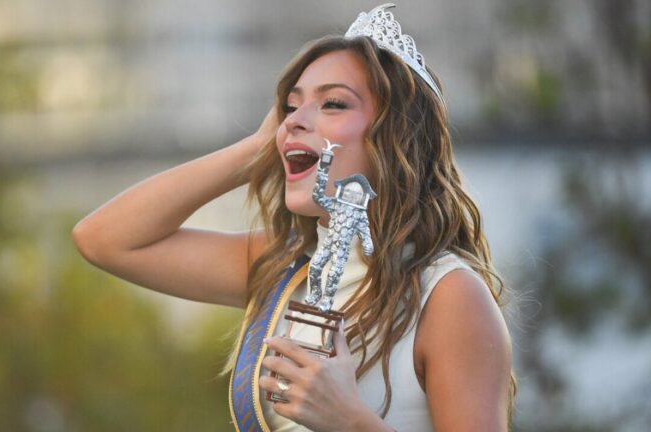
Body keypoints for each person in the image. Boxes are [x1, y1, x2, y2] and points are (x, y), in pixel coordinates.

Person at [72, 4, 515, 431]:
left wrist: (350, 422)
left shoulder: (449, 295)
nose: (295, 121)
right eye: (290, 106)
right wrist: (260, 146)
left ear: (396, 135)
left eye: (333, 104)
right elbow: (104, 239)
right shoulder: (279, 266)